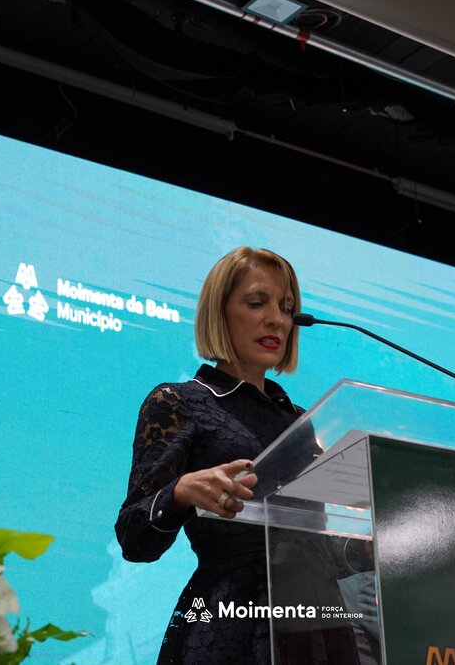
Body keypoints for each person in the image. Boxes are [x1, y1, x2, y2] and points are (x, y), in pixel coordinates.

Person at [115, 246, 305, 664]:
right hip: (233, 621)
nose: (276, 319)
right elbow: (133, 538)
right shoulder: (180, 403)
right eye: (256, 303)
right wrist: (180, 491)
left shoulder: (304, 423)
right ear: (219, 312)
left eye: (287, 308)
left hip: (315, 622)